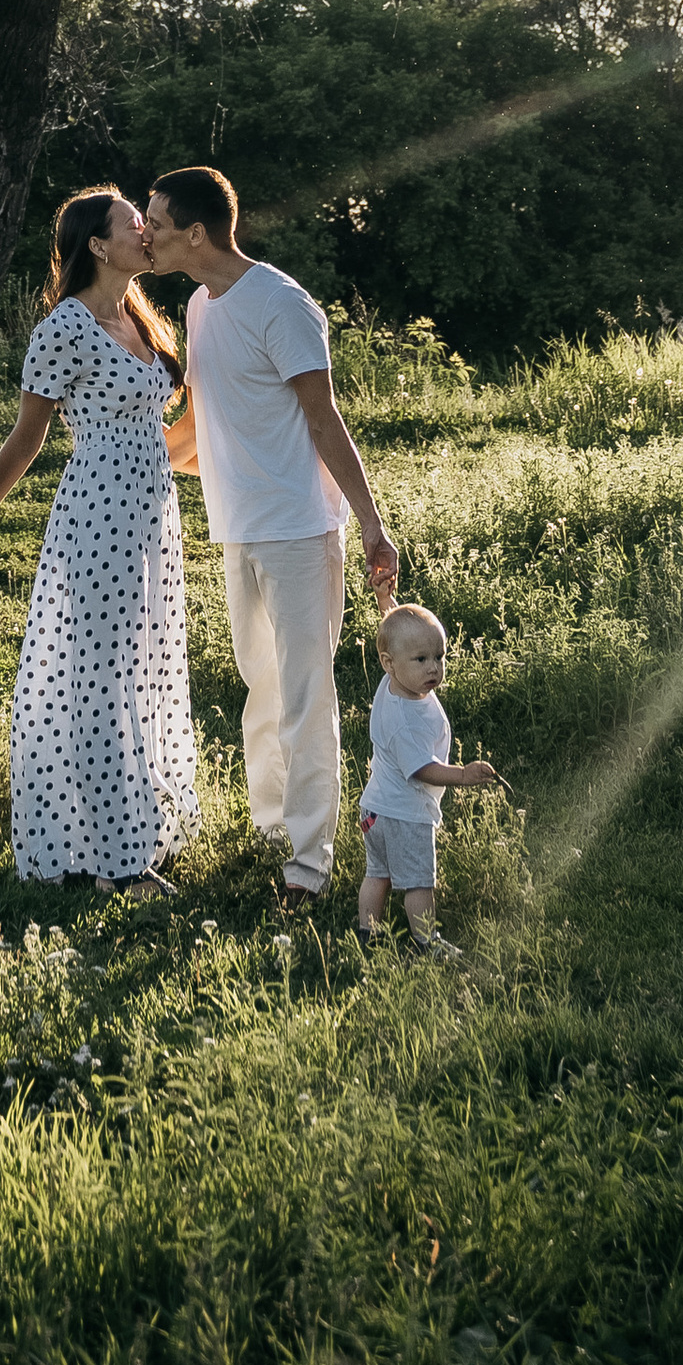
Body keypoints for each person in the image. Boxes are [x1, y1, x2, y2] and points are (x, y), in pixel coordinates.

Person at [143, 165, 398, 912]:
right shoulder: (198, 305)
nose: (143, 233)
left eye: (155, 222)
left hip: (298, 528)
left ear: (195, 233)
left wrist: (373, 525)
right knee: (262, 686)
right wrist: (125, 455)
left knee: (305, 694)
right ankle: (270, 827)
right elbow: (201, 422)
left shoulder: (283, 305)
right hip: (239, 528)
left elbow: (325, 420)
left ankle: (311, 862)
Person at [0, 191, 202, 904]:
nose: (147, 234)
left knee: (143, 668)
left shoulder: (142, 321)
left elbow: (170, 424)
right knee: (99, 680)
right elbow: (27, 437)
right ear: (97, 244)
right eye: (135, 225)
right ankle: (113, 861)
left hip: (153, 519)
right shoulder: (64, 328)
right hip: (97, 517)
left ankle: (136, 832)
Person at [356, 602, 502, 960]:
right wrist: (463, 775)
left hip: (375, 810)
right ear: (389, 663)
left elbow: (396, 636)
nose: (433, 667)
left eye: (439, 656)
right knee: (419, 882)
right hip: (405, 815)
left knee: (378, 875)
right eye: (421, 660)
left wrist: (386, 603)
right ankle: (426, 943)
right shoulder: (405, 722)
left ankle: (368, 933)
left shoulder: (394, 682)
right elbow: (423, 769)